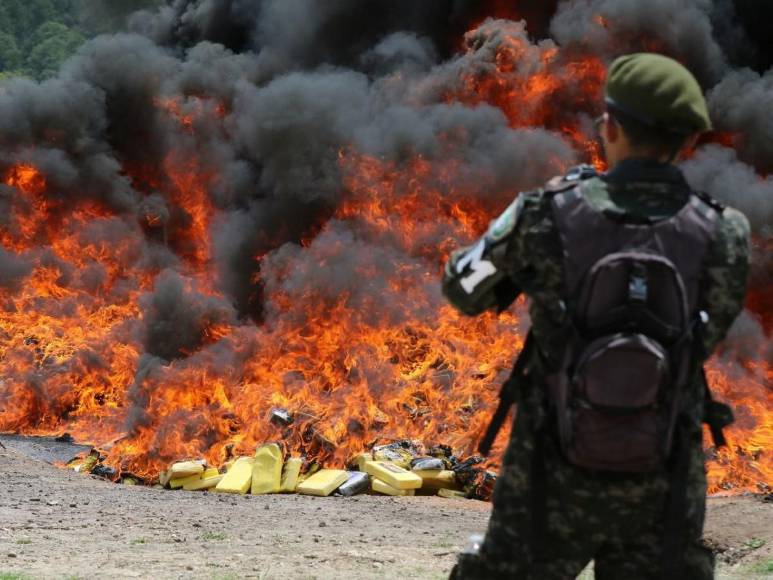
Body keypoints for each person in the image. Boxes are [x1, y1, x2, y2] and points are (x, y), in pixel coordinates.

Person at [443, 53, 751, 580]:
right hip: (663, 482)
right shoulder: (725, 234)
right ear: (689, 141)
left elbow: (463, 289)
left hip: (548, 479)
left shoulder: (544, 212)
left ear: (610, 126)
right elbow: (707, 335)